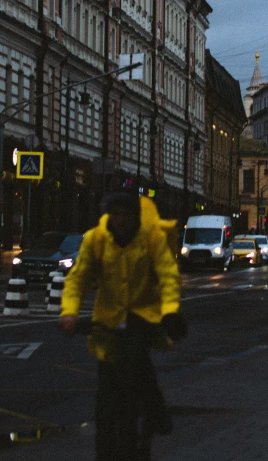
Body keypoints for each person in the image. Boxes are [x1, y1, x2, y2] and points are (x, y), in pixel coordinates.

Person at [59, 190, 186, 461]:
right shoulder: (96, 239)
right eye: (115, 214)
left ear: (135, 216)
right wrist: (69, 314)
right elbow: (78, 278)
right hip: (109, 321)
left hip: (142, 316)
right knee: (106, 397)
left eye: (126, 214)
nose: (120, 220)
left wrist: (170, 313)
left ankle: (156, 410)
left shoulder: (151, 239)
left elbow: (168, 276)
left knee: (138, 363)